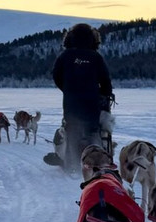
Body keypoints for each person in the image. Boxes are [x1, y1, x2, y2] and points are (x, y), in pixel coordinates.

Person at [51, 23, 113, 173]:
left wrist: (67, 89)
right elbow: (106, 80)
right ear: (93, 39)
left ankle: (72, 165)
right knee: (93, 132)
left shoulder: (65, 56)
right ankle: (98, 164)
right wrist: (104, 95)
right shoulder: (96, 57)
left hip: (71, 103)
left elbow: (56, 75)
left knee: (72, 132)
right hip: (92, 103)